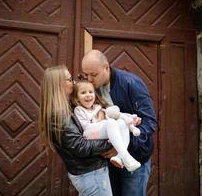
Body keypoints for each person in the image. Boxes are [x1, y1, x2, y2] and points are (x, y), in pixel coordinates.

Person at [81, 50, 157, 196]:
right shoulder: (91, 88)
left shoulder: (131, 83)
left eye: (93, 75)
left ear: (106, 68)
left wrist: (122, 148)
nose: (89, 79)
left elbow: (150, 122)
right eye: (86, 74)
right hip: (106, 160)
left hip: (135, 156)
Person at [39, 65, 113, 196]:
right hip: (91, 174)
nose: (73, 82)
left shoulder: (65, 108)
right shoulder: (59, 114)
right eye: (69, 79)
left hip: (89, 173)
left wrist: (100, 112)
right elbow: (81, 147)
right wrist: (112, 141)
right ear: (58, 84)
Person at [72, 79, 141, 172]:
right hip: (89, 133)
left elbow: (114, 114)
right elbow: (88, 121)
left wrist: (130, 118)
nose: (88, 95)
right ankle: (127, 157)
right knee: (111, 122)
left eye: (90, 92)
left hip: (100, 131)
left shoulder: (97, 107)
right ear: (77, 98)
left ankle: (119, 157)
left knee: (121, 122)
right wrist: (100, 111)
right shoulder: (79, 109)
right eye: (83, 93)